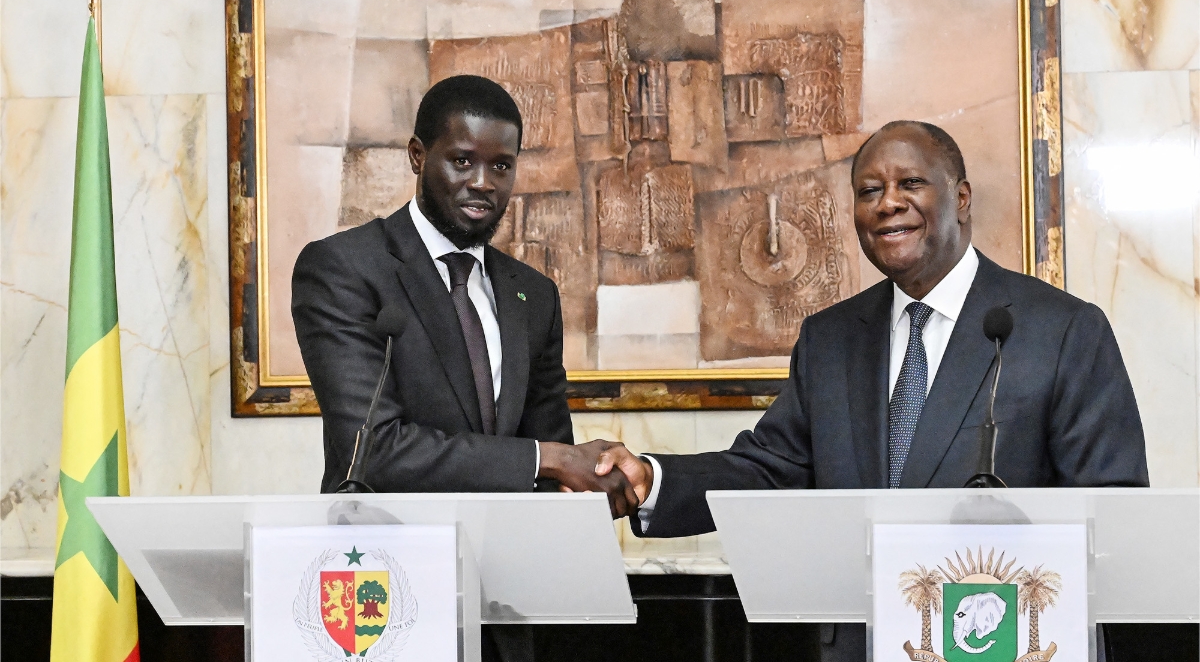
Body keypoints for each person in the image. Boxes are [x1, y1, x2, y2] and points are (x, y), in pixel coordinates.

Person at [590, 120, 1149, 662]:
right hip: (860, 644)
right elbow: (770, 469)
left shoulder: (1061, 329)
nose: (888, 203)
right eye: (869, 191)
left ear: (961, 198)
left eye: (911, 183)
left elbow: (1112, 507)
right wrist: (651, 480)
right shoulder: (830, 338)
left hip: (1003, 640)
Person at [292, 74, 636, 662]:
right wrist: (550, 460)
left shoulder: (533, 294)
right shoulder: (345, 269)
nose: (482, 182)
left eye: (501, 166)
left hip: (505, 606)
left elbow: (554, 452)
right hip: (384, 602)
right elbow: (371, 451)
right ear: (417, 156)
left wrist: (603, 478)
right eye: (461, 161)